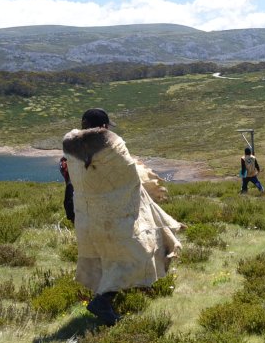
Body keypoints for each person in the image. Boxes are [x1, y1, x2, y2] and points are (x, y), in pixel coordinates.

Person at [62, 108, 182, 326]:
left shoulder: (71, 152)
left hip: (87, 219)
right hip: (114, 219)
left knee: (110, 261)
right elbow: (129, 173)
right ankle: (102, 302)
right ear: (105, 127)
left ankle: (109, 301)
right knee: (137, 255)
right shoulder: (114, 148)